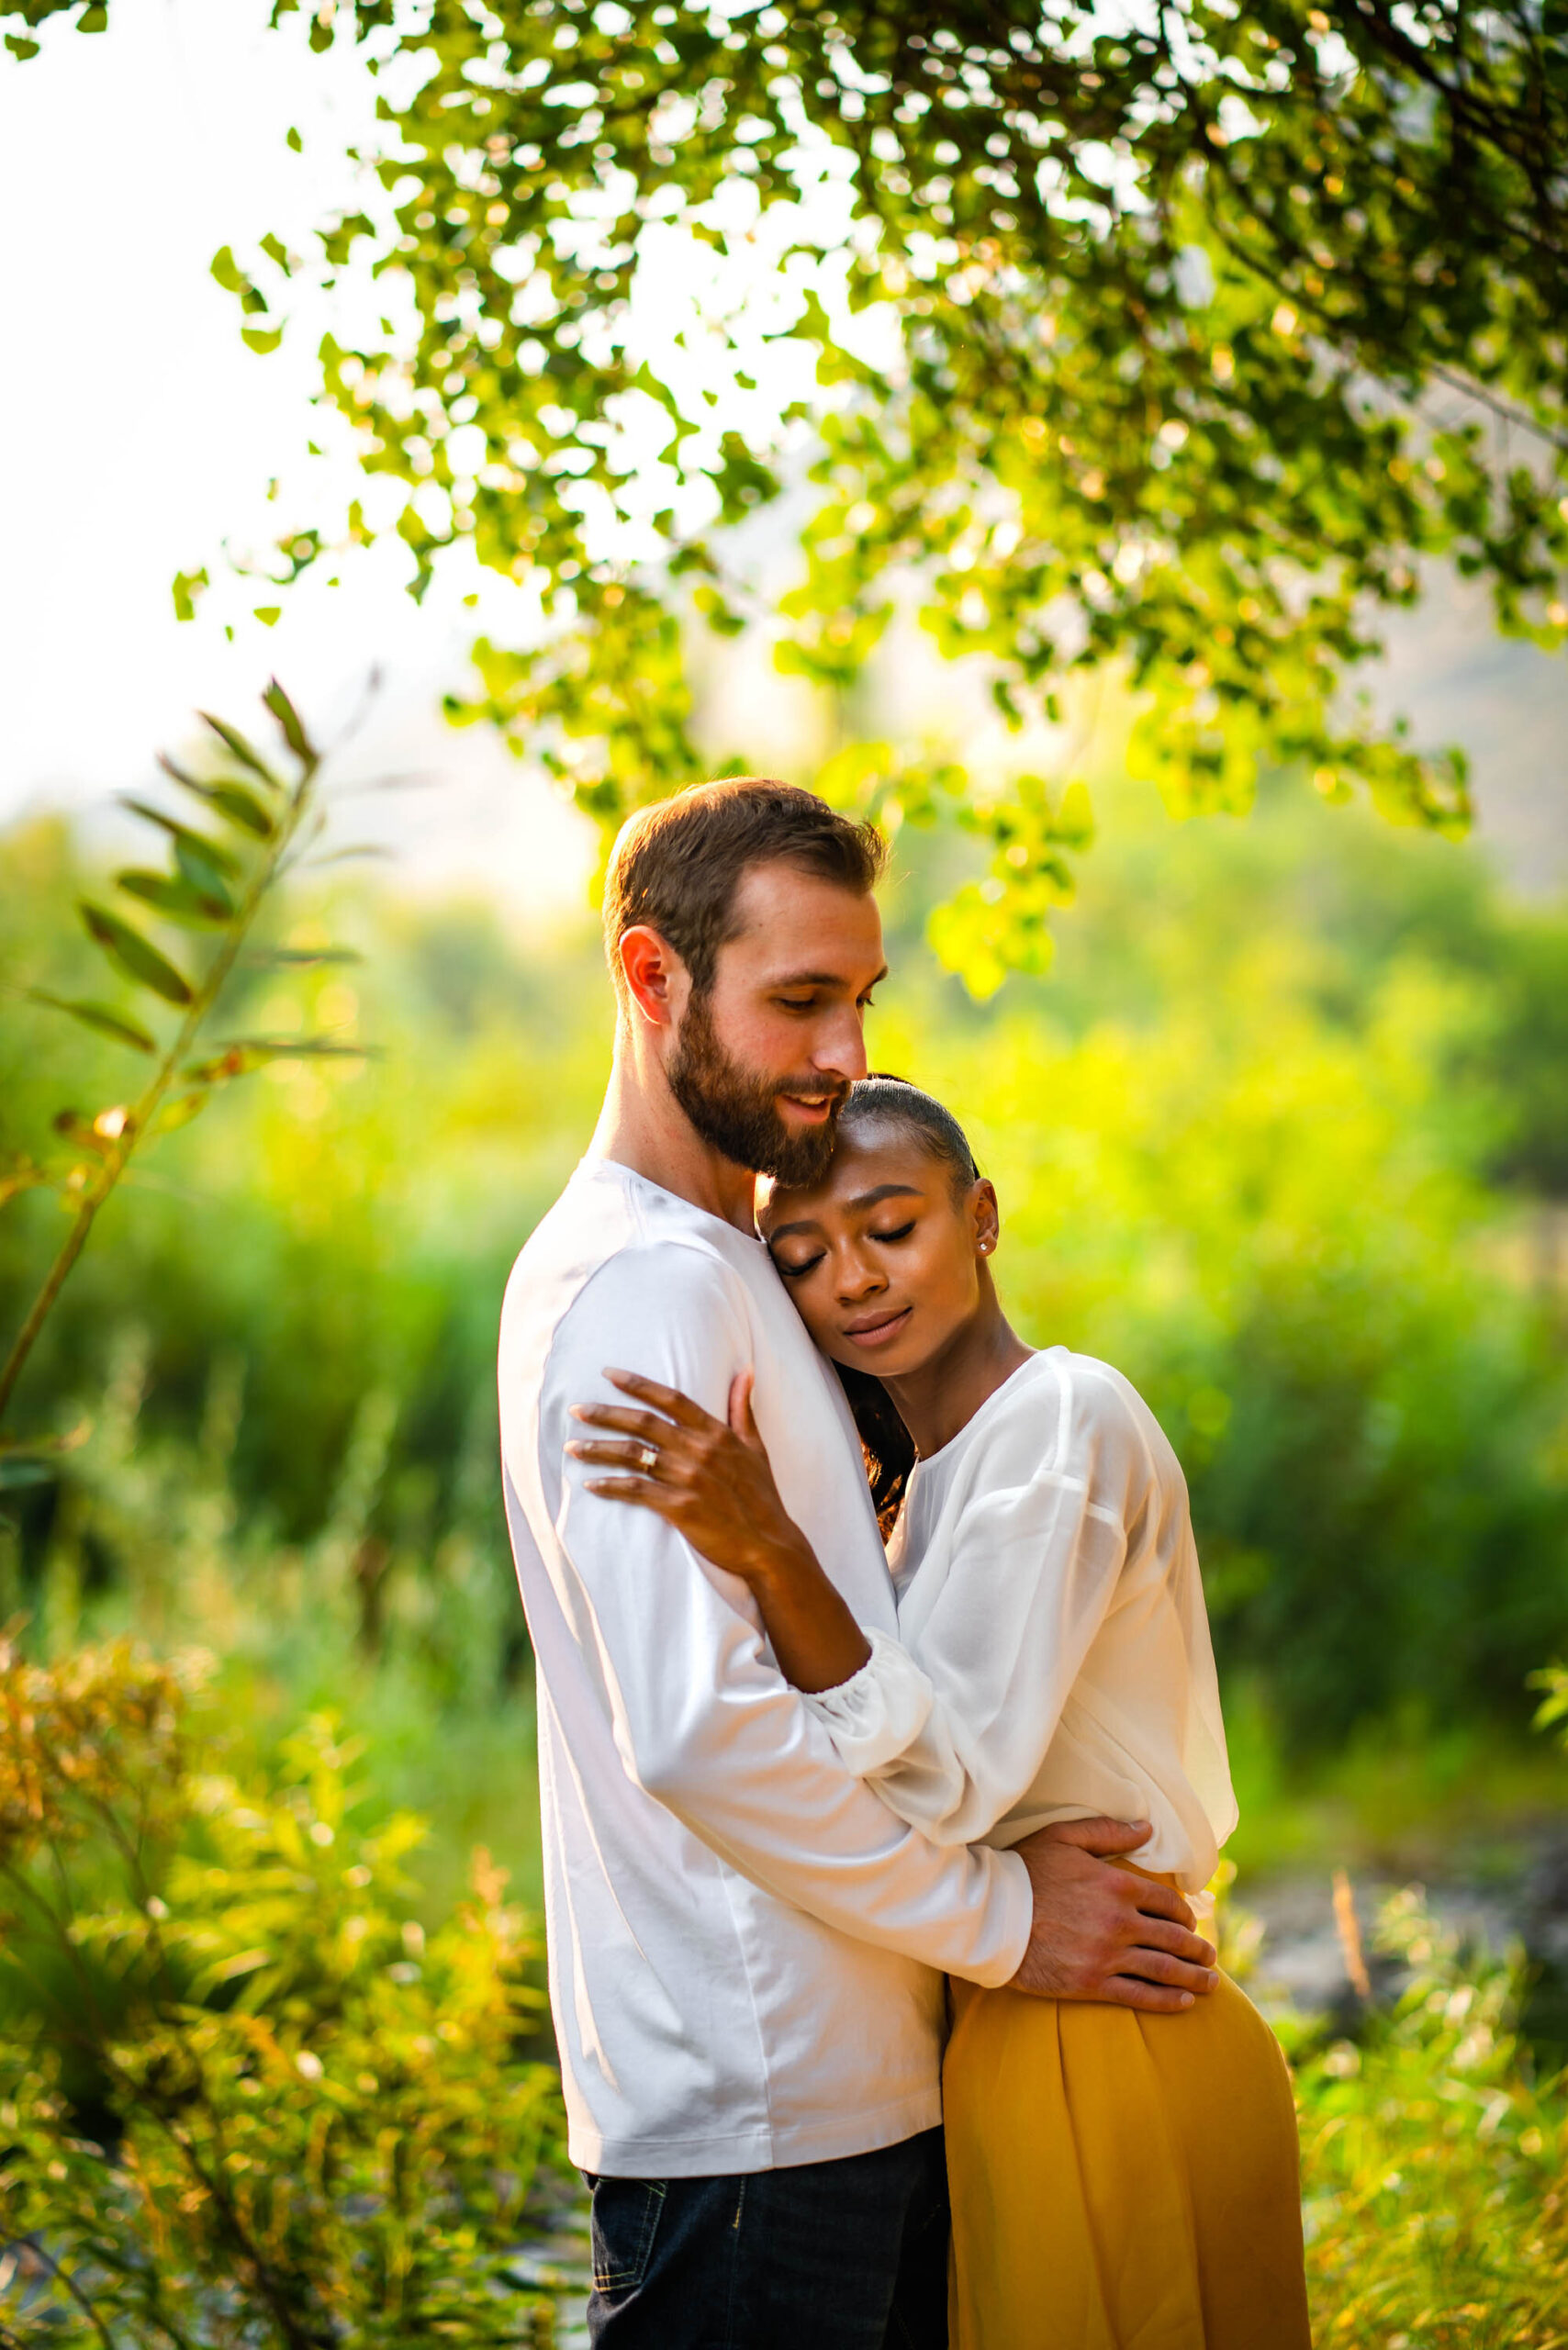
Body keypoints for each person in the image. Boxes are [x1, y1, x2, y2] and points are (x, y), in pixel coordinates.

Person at [497, 781, 1220, 2349]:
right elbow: (699, 1729)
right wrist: (1010, 1926)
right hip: (763, 2113)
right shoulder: (642, 1292)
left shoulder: (729, 1262)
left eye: (861, 998)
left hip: (865, 2087)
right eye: (800, 1002)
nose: (845, 1052)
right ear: (651, 978)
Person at [568, 1071, 1313, 2349]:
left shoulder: (1061, 1424)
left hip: (1103, 2037)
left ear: (981, 1216)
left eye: (890, 1228)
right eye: (801, 1257)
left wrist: (773, 1551)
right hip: (1013, 2036)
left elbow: (955, 1777)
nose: (852, 1279)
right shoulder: (912, 1494)